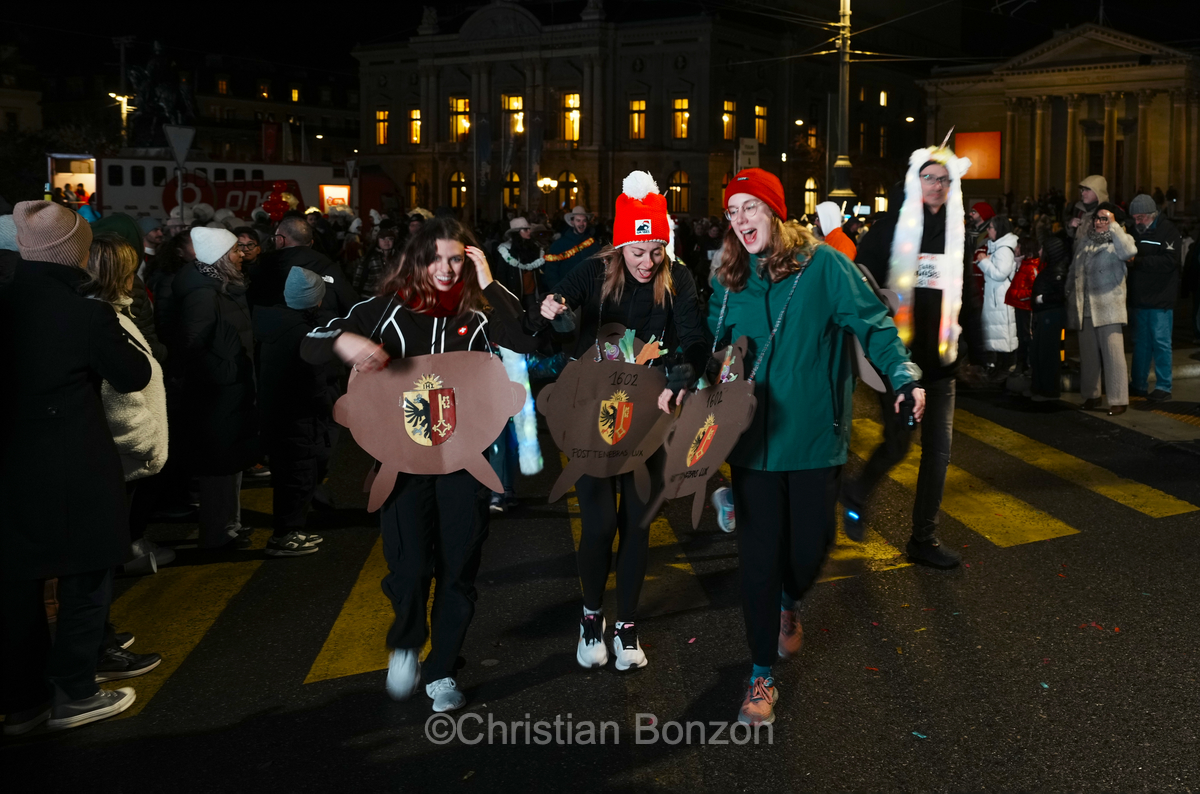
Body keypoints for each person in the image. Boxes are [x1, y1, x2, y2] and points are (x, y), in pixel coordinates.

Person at [707, 168, 923, 727]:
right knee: (758, 561)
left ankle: (789, 602)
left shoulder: (824, 265)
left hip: (815, 438)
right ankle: (760, 673)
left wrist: (902, 375)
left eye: (751, 208)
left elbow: (873, 322)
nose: (740, 220)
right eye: (733, 212)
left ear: (776, 212)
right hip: (752, 444)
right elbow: (713, 342)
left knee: (808, 549)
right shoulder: (729, 276)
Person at [301, 217, 537, 713]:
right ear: (416, 260)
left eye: (457, 258)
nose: (447, 270)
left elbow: (528, 338)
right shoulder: (383, 309)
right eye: (436, 259)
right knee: (409, 568)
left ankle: (444, 669)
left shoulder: (479, 310)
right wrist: (346, 344)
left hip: (463, 462)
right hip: (402, 464)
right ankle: (406, 639)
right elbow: (314, 339)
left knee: (458, 568)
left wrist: (491, 282)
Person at [538, 172, 709, 673]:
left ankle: (627, 625)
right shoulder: (593, 272)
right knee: (599, 524)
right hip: (592, 414)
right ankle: (592, 615)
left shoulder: (677, 277)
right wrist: (552, 311)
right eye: (637, 250)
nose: (646, 261)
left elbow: (695, 337)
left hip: (650, 417)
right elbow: (554, 311)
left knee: (637, 523)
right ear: (619, 245)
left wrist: (686, 368)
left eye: (655, 250)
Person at [1, 201, 150, 733]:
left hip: (10, 466)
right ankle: (74, 692)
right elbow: (132, 376)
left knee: (16, 584)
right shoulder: (86, 312)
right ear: (77, 254)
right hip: (74, 463)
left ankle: (22, 701)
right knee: (86, 578)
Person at [849, 144, 983, 571]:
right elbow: (858, 286)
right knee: (898, 445)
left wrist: (974, 345)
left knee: (938, 453)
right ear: (914, 181)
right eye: (929, 177)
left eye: (945, 179)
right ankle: (857, 492)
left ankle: (923, 538)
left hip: (942, 361)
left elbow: (965, 292)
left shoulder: (956, 232)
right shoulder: (889, 229)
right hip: (898, 364)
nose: (938, 186)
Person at [171, 227, 262, 547]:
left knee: (231, 459)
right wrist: (223, 372)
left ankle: (230, 524)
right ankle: (217, 531)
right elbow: (191, 346)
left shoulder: (219, 286)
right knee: (218, 463)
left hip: (230, 386)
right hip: (218, 391)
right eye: (235, 251)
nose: (242, 255)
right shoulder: (203, 294)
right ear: (220, 258)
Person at [254, 267, 341, 556]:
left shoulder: (274, 323)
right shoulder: (306, 336)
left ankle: (289, 529)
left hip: (276, 412)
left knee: (288, 473)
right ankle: (286, 535)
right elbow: (315, 385)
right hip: (299, 417)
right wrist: (331, 410)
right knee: (299, 476)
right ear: (314, 301)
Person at [1066, 203, 1136, 416]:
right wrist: (1068, 292)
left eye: (1105, 218)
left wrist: (1114, 226)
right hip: (1085, 306)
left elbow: (1130, 252)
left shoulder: (1120, 240)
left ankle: (1118, 400)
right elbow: (1073, 270)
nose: (1099, 221)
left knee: (1113, 356)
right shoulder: (1085, 241)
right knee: (1088, 356)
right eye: (1097, 218)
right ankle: (1091, 396)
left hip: (1109, 306)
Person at [1127, 193, 1182, 402]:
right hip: (1140, 298)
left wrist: (1138, 261)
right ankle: (1138, 384)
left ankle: (1163, 386)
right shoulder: (1134, 231)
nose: (1138, 222)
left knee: (1160, 342)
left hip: (1160, 299)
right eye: (1135, 218)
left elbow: (1170, 261)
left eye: (1141, 217)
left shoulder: (1168, 231)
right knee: (1141, 343)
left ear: (1153, 214)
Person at [248, 216, 360, 318]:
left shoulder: (262, 266)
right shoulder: (329, 267)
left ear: (280, 240)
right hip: (321, 334)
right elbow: (351, 305)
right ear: (311, 242)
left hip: (272, 334)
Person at [976, 216, 1019, 380]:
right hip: (996, 297)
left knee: (1004, 332)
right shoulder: (997, 247)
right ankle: (1000, 366)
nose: (988, 230)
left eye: (991, 227)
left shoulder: (1003, 249)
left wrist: (984, 262)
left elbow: (1000, 274)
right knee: (998, 333)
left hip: (1001, 297)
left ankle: (1005, 367)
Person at [1029, 234, 1070, 401]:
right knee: (1040, 352)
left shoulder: (1057, 270)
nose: (1039, 251)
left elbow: (1060, 294)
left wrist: (1041, 299)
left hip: (1050, 314)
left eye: (1043, 248)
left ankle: (1049, 391)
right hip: (1046, 313)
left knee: (1047, 354)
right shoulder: (1053, 267)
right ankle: (1040, 388)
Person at [1003, 233, 1041, 379]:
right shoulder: (1023, 265)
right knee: (1022, 336)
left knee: (1027, 337)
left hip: (1027, 308)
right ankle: (1023, 364)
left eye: (1019, 246)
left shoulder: (1031, 268)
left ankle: (1028, 365)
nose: (1016, 248)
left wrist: (1018, 295)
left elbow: (1034, 290)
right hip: (1021, 306)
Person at [543, 205, 603, 289]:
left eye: (584, 221)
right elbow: (551, 271)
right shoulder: (559, 245)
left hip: (589, 292)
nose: (581, 224)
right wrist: (557, 291)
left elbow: (600, 268)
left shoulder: (593, 244)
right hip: (567, 292)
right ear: (572, 222)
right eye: (578, 220)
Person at [495, 217, 545, 312]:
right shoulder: (506, 250)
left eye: (529, 229)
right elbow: (501, 275)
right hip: (515, 294)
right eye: (525, 229)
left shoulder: (534, 247)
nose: (529, 231)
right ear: (517, 232)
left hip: (532, 293)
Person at [348, 221, 397, 296]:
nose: (386, 242)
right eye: (383, 239)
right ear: (378, 240)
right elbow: (358, 279)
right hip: (369, 297)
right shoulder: (370, 258)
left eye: (390, 239)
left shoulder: (397, 259)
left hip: (388, 296)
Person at [1066, 175, 1108, 245]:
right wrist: (1070, 226)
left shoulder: (1108, 215)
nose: (1083, 193)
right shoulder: (1079, 210)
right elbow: (1075, 239)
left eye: (1087, 190)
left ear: (1098, 192)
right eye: (1082, 190)